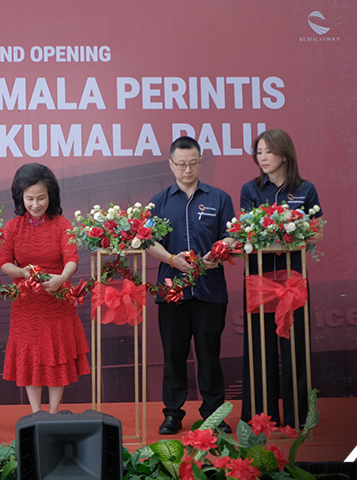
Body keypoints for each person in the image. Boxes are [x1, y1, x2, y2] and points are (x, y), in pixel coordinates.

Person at [147, 136, 236, 435]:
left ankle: (213, 414)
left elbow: (231, 234)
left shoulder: (219, 198)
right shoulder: (159, 201)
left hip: (210, 290)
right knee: (173, 355)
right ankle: (173, 414)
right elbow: (147, 242)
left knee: (209, 354)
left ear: (200, 162)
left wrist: (220, 250)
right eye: (182, 164)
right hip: (171, 291)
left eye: (193, 163)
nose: (187, 169)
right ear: (171, 164)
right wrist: (172, 260)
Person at [239, 128, 323, 428]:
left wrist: (293, 234)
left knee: (295, 347)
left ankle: (298, 417)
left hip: (292, 280)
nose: (262, 157)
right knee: (258, 348)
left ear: (284, 154)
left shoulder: (305, 189)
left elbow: (316, 232)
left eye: (268, 151)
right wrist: (283, 235)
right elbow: (247, 236)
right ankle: (261, 417)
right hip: (259, 279)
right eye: (258, 152)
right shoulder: (250, 190)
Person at [0, 163, 91, 414]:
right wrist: (21, 272)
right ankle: (36, 413)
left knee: (56, 357)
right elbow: (4, 263)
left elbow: (72, 259)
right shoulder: (13, 227)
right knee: (29, 359)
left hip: (57, 302)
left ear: (51, 196)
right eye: (29, 198)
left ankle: (52, 413)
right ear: (20, 197)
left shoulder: (62, 224)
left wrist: (62, 278)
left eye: (41, 197)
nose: (36, 204)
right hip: (26, 304)